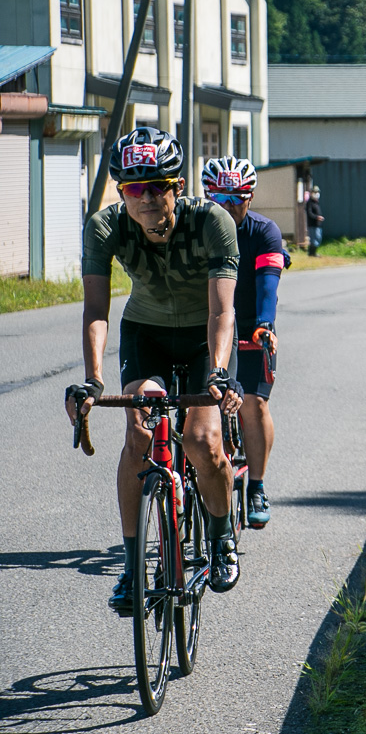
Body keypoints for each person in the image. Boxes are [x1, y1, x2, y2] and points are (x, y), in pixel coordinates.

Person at [65, 126, 245, 613]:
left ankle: (222, 535)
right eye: (132, 188)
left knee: (204, 441)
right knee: (139, 436)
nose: (145, 198)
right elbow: (96, 310)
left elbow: (222, 311)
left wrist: (220, 371)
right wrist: (94, 381)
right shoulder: (104, 227)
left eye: (156, 186)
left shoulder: (213, 221)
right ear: (121, 192)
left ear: (177, 186)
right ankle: (130, 568)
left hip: (201, 337)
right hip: (146, 333)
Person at [202, 156, 289, 528]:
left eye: (238, 198)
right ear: (208, 197)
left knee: (252, 404)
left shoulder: (264, 232)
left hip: (251, 324)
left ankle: (256, 484)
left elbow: (269, 283)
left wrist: (265, 325)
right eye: (221, 198)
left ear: (250, 198)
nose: (230, 206)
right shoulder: (197, 228)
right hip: (207, 323)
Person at [305, 185, 324, 257]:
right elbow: (309, 213)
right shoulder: (310, 202)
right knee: (314, 239)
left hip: (318, 224)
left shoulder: (316, 202)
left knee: (318, 238)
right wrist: (317, 217)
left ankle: (313, 253)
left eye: (317, 192)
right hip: (312, 224)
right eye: (315, 192)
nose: (316, 193)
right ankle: (312, 253)